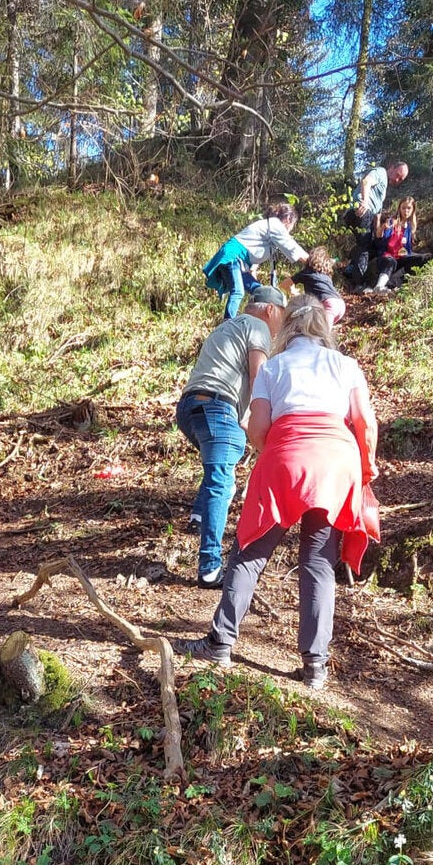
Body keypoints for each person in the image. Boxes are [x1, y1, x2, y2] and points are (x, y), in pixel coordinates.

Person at [180, 297, 379, 691]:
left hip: (285, 456)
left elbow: (257, 429)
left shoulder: (273, 366)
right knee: (319, 562)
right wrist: (366, 467)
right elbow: (365, 423)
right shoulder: (346, 366)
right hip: (336, 462)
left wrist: (280, 446)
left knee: (250, 550)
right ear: (325, 329)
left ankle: (220, 642)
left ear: (286, 328)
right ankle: (315, 666)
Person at [177, 285, 287, 588]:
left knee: (217, 471)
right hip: (217, 407)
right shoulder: (259, 327)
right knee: (222, 483)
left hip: (189, 408)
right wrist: (264, 419)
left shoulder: (227, 326)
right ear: (270, 309)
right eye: (282, 316)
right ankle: (210, 568)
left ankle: (199, 517)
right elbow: (259, 377)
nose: (280, 326)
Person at [202, 201, 308, 319]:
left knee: (259, 291)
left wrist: (255, 285)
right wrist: (313, 261)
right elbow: (292, 247)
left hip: (241, 263)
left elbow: (254, 263)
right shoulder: (275, 225)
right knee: (238, 292)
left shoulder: (268, 231)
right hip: (233, 256)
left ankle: (256, 320)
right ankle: (228, 323)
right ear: (288, 219)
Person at [344, 161, 409, 290]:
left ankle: (350, 269)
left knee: (369, 243)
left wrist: (379, 232)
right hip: (360, 211)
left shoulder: (383, 190)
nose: (397, 180)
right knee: (364, 245)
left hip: (367, 215)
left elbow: (378, 214)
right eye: (397, 175)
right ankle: (358, 284)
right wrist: (364, 202)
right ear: (391, 167)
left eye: (400, 179)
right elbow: (366, 182)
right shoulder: (381, 172)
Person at [367, 196, 429, 292]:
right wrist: (383, 227)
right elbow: (379, 236)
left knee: (423, 258)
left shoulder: (409, 226)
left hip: (402, 256)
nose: (406, 211)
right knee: (391, 261)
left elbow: (407, 249)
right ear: (399, 208)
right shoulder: (392, 221)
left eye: (409, 208)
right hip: (387, 255)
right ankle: (379, 286)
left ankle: (392, 284)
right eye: (403, 208)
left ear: (413, 210)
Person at [291, 245, 346, 325]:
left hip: (328, 304)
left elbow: (285, 284)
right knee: (318, 330)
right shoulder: (325, 275)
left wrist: (294, 292)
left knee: (322, 333)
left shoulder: (307, 273)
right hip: (340, 304)